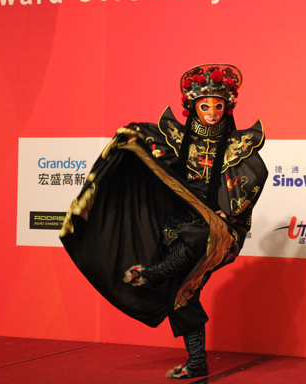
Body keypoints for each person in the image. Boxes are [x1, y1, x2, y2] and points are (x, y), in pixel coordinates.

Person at [60, 64, 268, 379]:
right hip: (178, 228)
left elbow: (251, 180)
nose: (212, 113)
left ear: (227, 107)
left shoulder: (239, 147)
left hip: (220, 231)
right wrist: (130, 138)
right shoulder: (177, 141)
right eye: (205, 106)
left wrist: (226, 212)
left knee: (201, 233)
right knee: (181, 294)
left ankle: (153, 273)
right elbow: (146, 143)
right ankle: (197, 361)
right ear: (192, 107)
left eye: (218, 106)